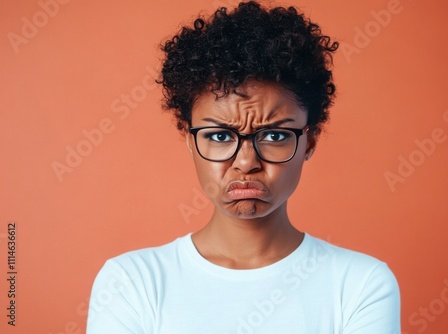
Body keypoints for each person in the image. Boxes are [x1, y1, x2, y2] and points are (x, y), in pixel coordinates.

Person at [87, 1, 400, 333]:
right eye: (221, 136)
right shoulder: (131, 283)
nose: (247, 163)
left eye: (275, 135)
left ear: (309, 141)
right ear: (191, 142)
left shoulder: (360, 285)